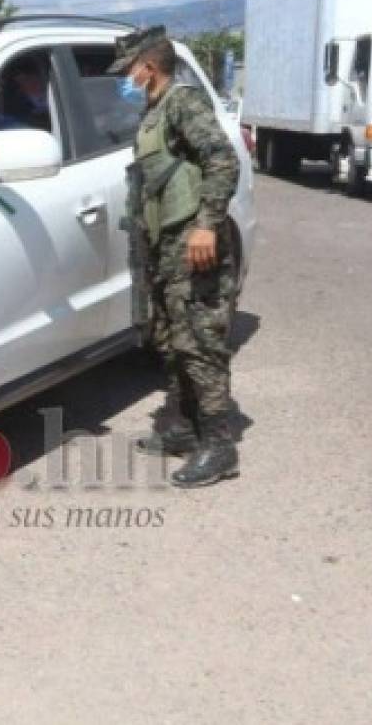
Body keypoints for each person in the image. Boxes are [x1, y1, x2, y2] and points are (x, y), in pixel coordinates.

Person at [108, 26, 242, 487]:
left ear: (148, 66)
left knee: (199, 340)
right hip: (166, 244)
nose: (125, 79)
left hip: (192, 240)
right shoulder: (156, 109)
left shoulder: (183, 101)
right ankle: (183, 427)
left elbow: (223, 159)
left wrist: (206, 224)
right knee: (171, 337)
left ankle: (219, 445)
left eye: (127, 70)